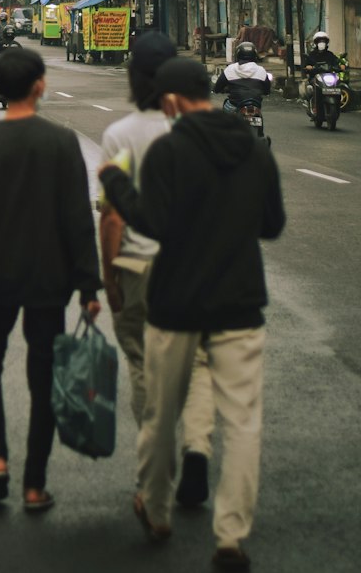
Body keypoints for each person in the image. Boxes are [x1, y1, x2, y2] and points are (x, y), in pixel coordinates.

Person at [100, 58, 285, 570]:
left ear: (176, 100)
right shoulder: (254, 148)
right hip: (241, 304)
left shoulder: (168, 151)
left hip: (176, 303)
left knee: (160, 414)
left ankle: (156, 510)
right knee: (243, 422)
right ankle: (230, 537)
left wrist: (116, 185)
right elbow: (271, 226)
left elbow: (152, 223)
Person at [0, 44, 102, 512]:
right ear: (39, 86)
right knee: (43, 377)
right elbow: (78, 218)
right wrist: (88, 287)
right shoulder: (61, 143)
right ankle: (34, 485)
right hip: (48, 281)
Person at [99, 32, 214, 507]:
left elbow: (112, 214)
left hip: (138, 265)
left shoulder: (120, 135)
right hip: (194, 266)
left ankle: (158, 462)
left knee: (145, 363)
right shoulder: (195, 131)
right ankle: (198, 447)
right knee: (201, 363)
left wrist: (109, 276)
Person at [214, 40, 274, 114]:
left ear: (237, 54)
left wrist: (219, 90)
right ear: (254, 55)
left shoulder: (230, 69)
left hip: (235, 104)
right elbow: (267, 89)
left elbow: (218, 87)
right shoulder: (260, 70)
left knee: (227, 110)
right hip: (255, 104)